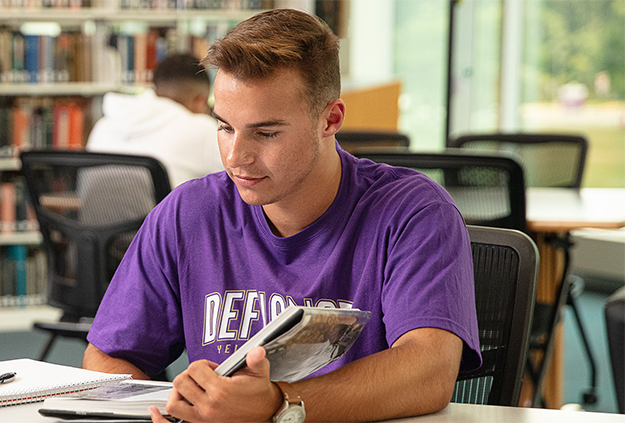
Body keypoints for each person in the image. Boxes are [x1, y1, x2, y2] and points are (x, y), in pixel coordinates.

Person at [82, 9, 481, 423]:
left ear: (331, 119)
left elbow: (429, 371)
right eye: (224, 127)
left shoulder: (413, 212)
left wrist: (278, 405)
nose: (237, 157)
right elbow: (109, 356)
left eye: (266, 133)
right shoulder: (187, 213)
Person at [86, 54, 224, 187]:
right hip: (164, 212)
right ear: (200, 101)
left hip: (95, 212)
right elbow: (234, 183)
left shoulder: (103, 125)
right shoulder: (202, 128)